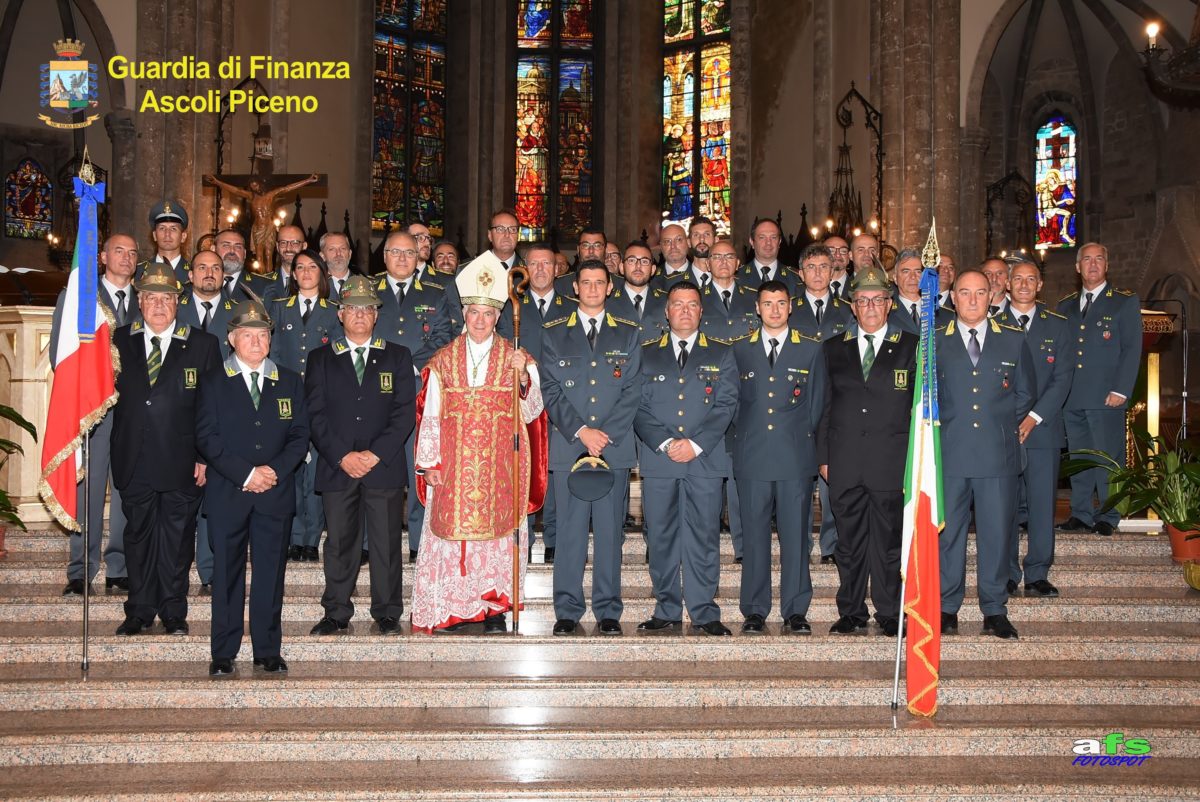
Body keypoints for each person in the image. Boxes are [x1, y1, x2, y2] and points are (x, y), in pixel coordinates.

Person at [410, 253, 548, 634]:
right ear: (465, 315)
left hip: (500, 467)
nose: (481, 321)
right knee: (455, 540)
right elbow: (431, 414)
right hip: (453, 468)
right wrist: (429, 464)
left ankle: (492, 609)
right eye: (474, 313)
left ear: (498, 317)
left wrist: (524, 378)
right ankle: (455, 607)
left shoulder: (515, 356)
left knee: (496, 538)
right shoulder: (443, 360)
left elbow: (533, 408)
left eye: (488, 314)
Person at [196, 299, 310, 677]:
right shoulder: (213, 380)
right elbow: (206, 437)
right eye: (248, 335)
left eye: (262, 335)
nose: (256, 342)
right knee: (226, 575)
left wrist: (272, 471)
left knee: (269, 575)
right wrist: (246, 474)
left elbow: (299, 436)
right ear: (232, 339)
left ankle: (267, 650)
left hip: (274, 494)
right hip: (230, 493)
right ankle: (223, 653)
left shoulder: (289, 380)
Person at [110, 263, 220, 636]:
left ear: (179, 302)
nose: (159, 305)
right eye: (151, 298)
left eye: (167, 298)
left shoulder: (203, 343)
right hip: (134, 457)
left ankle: (174, 609)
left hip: (183, 461)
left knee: (177, 539)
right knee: (137, 537)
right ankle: (139, 609)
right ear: (140, 301)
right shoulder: (118, 341)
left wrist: (205, 456)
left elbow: (212, 408)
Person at [306, 275, 416, 636]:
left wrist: (373, 454)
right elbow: (315, 415)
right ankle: (336, 611)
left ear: (375, 315)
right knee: (339, 543)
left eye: (366, 309)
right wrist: (342, 456)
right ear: (340, 314)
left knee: (385, 543)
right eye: (351, 308)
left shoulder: (397, 356)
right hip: (338, 468)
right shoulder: (320, 358)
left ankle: (387, 611)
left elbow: (403, 413)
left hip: (381, 467)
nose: (358, 315)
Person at [540, 261, 642, 635]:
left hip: (612, 450)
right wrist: (582, 431)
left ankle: (608, 609)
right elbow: (549, 389)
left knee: (610, 533)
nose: (594, 288)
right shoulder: (554, 334)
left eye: (600, 282)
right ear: (575, 288)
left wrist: (604, 435)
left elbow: (633, 390)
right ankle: (567, 610)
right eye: (587, 282)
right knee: (569, 533)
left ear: (611, 288)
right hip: (570, 449)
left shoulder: (628, 334)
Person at [634, 281, 738, 635]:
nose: (685, 311)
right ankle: (666, 607)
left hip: (704, 461)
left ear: (701, 311)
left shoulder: (721, 353)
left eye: (692, 305)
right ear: (666, 311)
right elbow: (637, 405)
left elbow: (726, 405)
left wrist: (695, 444)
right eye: (678, 304)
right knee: (659, 535)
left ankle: (704, 610)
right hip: (659, 460)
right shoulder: (646, 353)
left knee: (704, 536)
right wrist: (665, 443)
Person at [817, 264, 916, 636]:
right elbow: (822, 407)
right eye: (862, 300)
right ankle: (852, 611)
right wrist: (823, 457)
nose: (870, 306)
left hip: (891, 463)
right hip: (844, 463)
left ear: (889, 304)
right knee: (849, 544)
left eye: (877, 299)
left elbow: (918, 410)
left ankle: (891, 612)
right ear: (853, 306)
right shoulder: (832, 349)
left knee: (889, 544)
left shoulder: (911, 347)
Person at [937, 269, 1036, 640]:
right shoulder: (935, 343)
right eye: (965, 293)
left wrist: (998, 425)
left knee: (996, 533)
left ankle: (994, 608)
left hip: (998, 456)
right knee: (949, 535)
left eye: (981, 292)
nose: (973, 300)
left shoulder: (1012, 340)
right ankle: (947, 606)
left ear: (991, 294)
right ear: (953, 298)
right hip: (951, 454)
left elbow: (1025, 392)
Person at [731, 280, 825, 634]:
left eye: (780, 303)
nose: (774, 309)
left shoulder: (811, 351)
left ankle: (795, 609)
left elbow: (815, 406)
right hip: (752, 457)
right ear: (757, 308)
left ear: (790, 307)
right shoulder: (740, 350)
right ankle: (754, 610)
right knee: (754, 537)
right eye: (767, 303)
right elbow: (736, 406)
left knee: (796, 536)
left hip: (794, 459)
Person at [49, 233, 138, 596]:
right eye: (119, 251)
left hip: (133, 414)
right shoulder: (78, 299)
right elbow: (60, 354)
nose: (126, 258)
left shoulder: (148, 299)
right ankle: (81, 568)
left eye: (133, 253)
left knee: (124, 491)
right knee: (87, 487)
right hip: (91, 412)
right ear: (102, 256)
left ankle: (118, 566)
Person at [374, 230, 454, 559]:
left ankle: (419, 544)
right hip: (377, 395)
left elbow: (443, 339)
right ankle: (376, 544)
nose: (403, 258)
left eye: (410, 253)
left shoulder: (435, 294)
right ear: (385, 256)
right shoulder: (368, 291)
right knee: (379, 477)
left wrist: (410, 367)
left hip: (420, 393)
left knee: (417, 471)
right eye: (396, 252)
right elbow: (356, 334)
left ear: (419, 256)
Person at [997, 259, 1073, 597]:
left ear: (1040, 285)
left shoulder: (1059, 325)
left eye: (1032, 279)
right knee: (1005, 506)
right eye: (1018, 279)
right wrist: (1010, 419)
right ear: (1008, 285)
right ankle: (1008, 572)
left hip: (1042, 430)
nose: (1025, 285)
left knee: (1043, 505)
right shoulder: (990, 324)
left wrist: (1032, 417)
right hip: (1001, 431)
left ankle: (1038, 571)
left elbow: (1062, 380)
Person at [1055, 243, 1142, 537]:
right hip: (1072, 396)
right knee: (1079, 457)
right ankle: (1080, 513)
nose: (1093, 265)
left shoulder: (1123, 302)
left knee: (1108, 456)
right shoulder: (1065, 306)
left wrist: (1121, 389)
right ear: (1077, 268)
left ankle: (1109, 513)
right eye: (1087, 260)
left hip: (1107, 395)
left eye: (1099, 259)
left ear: (1107, 266)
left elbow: (1132, 349)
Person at [269, 249, 343, 563]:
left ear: (322, 273)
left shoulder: (334, 311)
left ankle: (311, 539)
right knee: (291, 470)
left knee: (315, 474)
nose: (306, 272)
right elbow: (269, 355)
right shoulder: (277, 309)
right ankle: (294, 535)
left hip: (321, 402)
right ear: (293, 274)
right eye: (300, 267)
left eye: (313, 266)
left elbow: (338, 359)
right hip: (285, 401)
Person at [791, 243, 855, 565]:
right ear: (801, 273)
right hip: (797, 408)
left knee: (834, 483)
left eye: (823, 267)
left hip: (837, 408)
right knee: (801, 483)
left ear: (833, 272)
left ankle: (831, 543)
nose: (818, 273)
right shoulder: (787, 309)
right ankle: (800, 544)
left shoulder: (848, 311)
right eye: (811, 267)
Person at [518, 242, 577, 563]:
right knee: (525, 472)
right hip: (523, 404)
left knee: (556, 471)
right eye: (534, 264)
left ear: (558, 269)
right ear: (525, 269)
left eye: (547, 264)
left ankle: (554, 538)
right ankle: (523, 536)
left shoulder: (572, 308)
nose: (541, 270)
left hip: (562, 402)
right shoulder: (512, 307)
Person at [890, 249, 952, 335]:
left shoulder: (944, 314)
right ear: (895, 278)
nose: (913, 277)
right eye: (906, 271)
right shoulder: (886, 313)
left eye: (918, 271)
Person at [740, 218, 799, 295]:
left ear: (779, 242)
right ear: (752, 242)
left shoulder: (796, 278)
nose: (768, 243)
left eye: (773, 237)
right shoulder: (737, 277)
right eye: (762, 237)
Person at [137, 200, 190, 283]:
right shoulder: (138, 272)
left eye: (173, 229)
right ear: (154, 235)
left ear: (183, 236)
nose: (167, 234)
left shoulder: (193, 273)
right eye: (162, 228)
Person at [213, 228, 273, 301]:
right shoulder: (199, 283)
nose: (232, 251)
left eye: (238, 247)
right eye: (226, 245)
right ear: (213, 250)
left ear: (244, 254)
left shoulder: (266, 286)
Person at [264, 225, 306, 302]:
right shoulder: (263, 282)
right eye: (283, 243)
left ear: (304, 246)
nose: (288, 248)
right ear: (277, 246)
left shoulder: (316, 281)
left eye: (295, 243)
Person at [320, 232, 355, 300]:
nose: (338, 253)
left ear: (350, 254)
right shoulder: (315, 285)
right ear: (322, 256)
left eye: (343, 248)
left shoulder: (363, 284)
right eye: (331, 249)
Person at [825, 235, 852, 299]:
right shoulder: (809, 287)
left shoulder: (859, 287)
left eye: (843, 251)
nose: (837, 255)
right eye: (831, 251)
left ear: (849, 257)